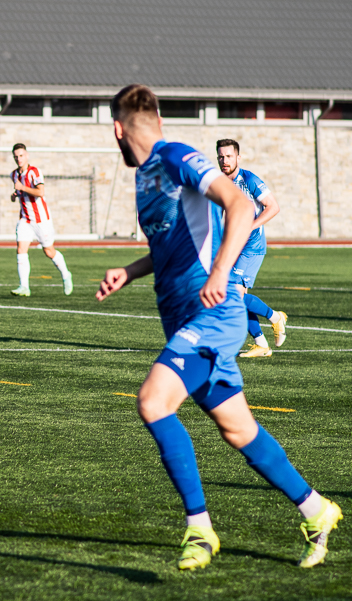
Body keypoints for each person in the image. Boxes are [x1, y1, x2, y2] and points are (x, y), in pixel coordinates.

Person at [96, 84, 341, 571]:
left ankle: (200, 529)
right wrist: (131, 271)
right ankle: (317, 509)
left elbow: (241, 205)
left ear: (118, 130)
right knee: (238, 428)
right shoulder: (147, 177)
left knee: (153, 401)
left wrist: (220, 271)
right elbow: (171, 247)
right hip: (185, 317)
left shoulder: (175, 156)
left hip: (215, 313)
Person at [215, 139, 287, 357]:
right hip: (233, 245)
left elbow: (273, 207)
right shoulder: (219, 183)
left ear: (238, 157)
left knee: (233, 296)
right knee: (236, 298)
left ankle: (276, 317)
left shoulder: (249, 180)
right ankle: (262, 344)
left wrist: (250, 226)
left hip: (251, 246)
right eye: (221, 156)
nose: (224, 161)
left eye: (229, 156)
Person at [8, 144, 73, 296]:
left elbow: (40, 192)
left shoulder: (34, 172)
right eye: (16, 157)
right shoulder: (14, 174)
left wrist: (22, 188)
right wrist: (14, 195)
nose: (19, 159)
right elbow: (18, 193)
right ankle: (24, 287)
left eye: (21, 155)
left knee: (49, 251)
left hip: (41, 219)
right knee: (21, 249)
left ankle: (66, 275)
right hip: (25, 219)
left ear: (27, 155)